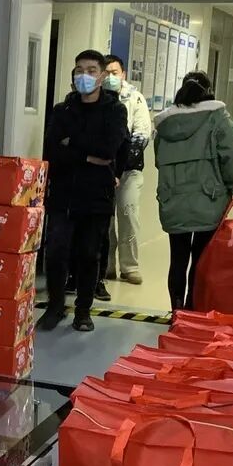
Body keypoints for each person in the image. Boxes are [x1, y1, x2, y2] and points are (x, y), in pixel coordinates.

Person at [39, 50, 129, 333]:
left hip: (96, 194)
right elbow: (51, 151)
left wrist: (72, 143)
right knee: (56, 252)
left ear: (101, 76)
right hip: (63, 193)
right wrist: (87, 155)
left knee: (89, 254)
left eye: (91, 70)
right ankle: (55, 306)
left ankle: (83, 310)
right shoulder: (62, 110)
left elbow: (109, 149)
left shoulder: (115, 110)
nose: (84, 76)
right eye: (79, 70)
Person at [154, 70, 233, 311]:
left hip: (173, 200)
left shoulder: (165, 124)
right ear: (209, 91)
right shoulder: (219, 118)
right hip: (209, 199)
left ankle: (177, 311)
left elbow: (159, 160)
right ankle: (193, 311)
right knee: (201, 259)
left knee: (177, 260)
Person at [99, 55, 152, 293]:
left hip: (129, 170)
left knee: (128, 214)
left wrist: (120, 165)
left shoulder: (135, 99)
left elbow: (141, 135)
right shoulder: (96, 98)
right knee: (105, 218)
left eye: (115, 72)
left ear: (123, 74)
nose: (110, 77)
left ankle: (130, 266)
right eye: (106, 72)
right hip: (103, 170)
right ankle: (107, 265)